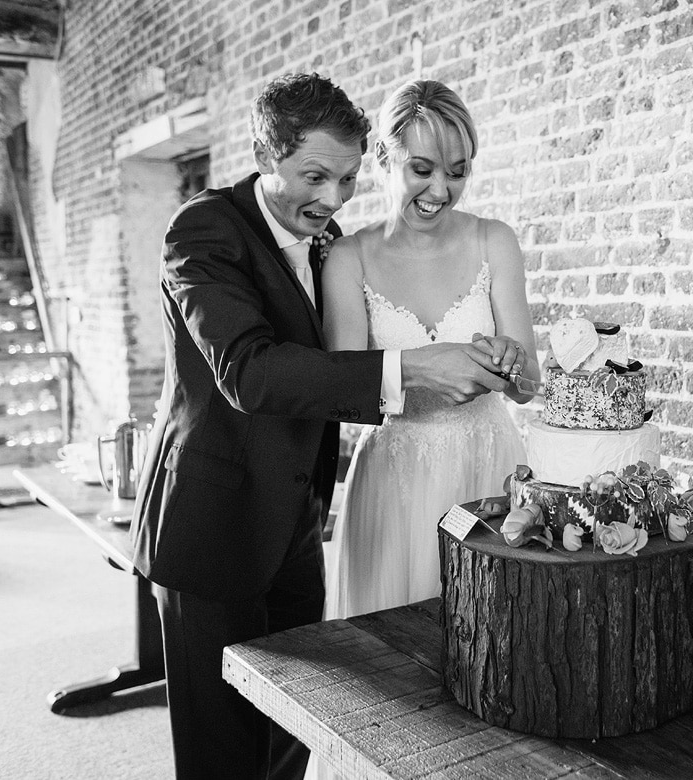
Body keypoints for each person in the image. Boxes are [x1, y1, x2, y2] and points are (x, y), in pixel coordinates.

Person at [130, 73, 519, 780]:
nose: (334, 199)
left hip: (296, 524)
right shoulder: (204, 230)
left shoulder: (327, 238)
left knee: (303, 728)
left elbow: (327, 373)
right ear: (264, 153)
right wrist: (410, 368)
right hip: (212, 524)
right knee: (222, 748)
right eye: (315, 176)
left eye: (345, 179)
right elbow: (250, 373)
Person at [321, 79, 538, 621]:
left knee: (496, 631)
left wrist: (511, 365)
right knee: (395, 643)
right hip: (394, 475)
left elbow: (530, 385)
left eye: (457, 172)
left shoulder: (495, 241)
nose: (440, 190)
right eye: (422, 169)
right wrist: (420, 374)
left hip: (487, 465)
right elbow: (339, 395)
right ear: (382, 158)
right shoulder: (347, 259)